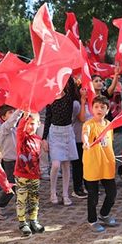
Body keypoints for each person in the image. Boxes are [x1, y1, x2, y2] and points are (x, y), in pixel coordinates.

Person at [82, 96, 118, 232]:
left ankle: (104, 214)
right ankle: (92, 220)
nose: (99, 109)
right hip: (92, 166)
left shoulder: (109, 125)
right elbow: (85, 134)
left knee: (112, 193)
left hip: (107, 165)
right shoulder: (88, 124)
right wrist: (86, 142)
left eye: (102, 107)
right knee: (93, 196)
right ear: (92, 109)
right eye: (96, 106)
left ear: (107, 110)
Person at [43, 78, 79, 206]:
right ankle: (52, 191)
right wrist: (44, 138)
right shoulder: (50, 99)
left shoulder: (70, 98)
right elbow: (48, 118)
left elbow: (72, 84)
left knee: (66, 165)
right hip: (55, 133)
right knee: (56, 164)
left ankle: (65, 193)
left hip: (67, 132)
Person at [14, 112, 45, 236]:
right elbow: (20, 129)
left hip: (34, 175)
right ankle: (22, 222)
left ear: (38, 124)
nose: (30, 127)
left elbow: (37, 157)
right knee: (21, 199)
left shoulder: (38, 140)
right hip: (21, 175)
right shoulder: (22, 137)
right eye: (27, 124)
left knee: (34, 199)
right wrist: (24, 117)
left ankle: (33, 220)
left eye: (32, 124)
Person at [0, 104, 17, 220]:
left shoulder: (15, 129)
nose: (13, 115)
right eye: (10, 113)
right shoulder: (4, 128)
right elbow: (13, 120)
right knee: (12, 184)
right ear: (3, 117)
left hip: (17, 160)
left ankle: (22, 206)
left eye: (13, 112)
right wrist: (20, 110)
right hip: (9, 161)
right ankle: (0, 205)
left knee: (20, 183)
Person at [71, 87, 89, 199]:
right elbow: (82, 118)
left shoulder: (93, 103)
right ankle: (77, 189)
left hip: (89, 139)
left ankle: (88, 186)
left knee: (87, 164)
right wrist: (82, 101)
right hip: (78, 137)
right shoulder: (76, 104)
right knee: (78, 165)